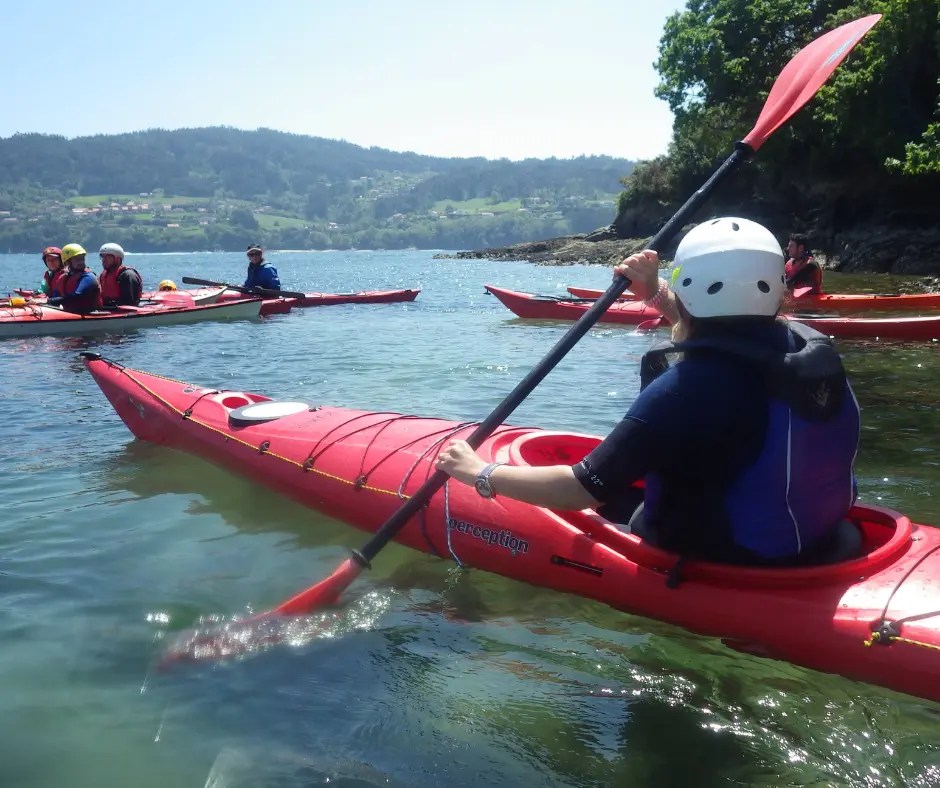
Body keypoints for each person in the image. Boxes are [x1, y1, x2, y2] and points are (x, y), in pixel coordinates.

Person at [437, 217, 861, 567]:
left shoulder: (682, 390)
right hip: (820, 537)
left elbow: (581, 488)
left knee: (617, 501)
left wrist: (478, 472)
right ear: (776, 286)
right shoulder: (806, 348)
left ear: (688, 286)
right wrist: (654, 291)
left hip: (730, 556)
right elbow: (726, 328)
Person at [47, 244, 101, 313]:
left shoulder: (88, 277)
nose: (81, 262)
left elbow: (77, 296)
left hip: (88, 314)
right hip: (70, 313)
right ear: (67, 262)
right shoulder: (62, 278)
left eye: (82, 258)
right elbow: (55, 297)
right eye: (77, 259)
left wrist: (49, 301)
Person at [98, 243, 142, 307]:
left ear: (118, 259)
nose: (104, 260)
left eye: (108, 256)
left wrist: (109, 303)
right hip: (108, 310)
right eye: (102, 257)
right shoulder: (103, 275)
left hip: (124, 313)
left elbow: (129, 302)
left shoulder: (128, 275)